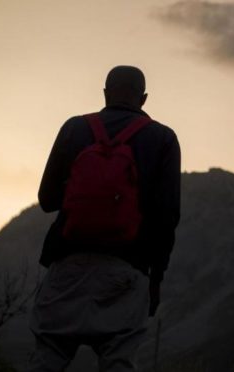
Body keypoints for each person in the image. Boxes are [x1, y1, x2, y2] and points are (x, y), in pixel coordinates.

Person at [29, 65, 181, 372]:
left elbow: (47, 201)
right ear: (144, 98)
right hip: (127, 269)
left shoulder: (74, 128)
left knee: (48, 359)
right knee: (118, 363)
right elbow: (167, 217)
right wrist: (156, 279)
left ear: (105, 93)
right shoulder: (163, 138)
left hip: (68, 266)